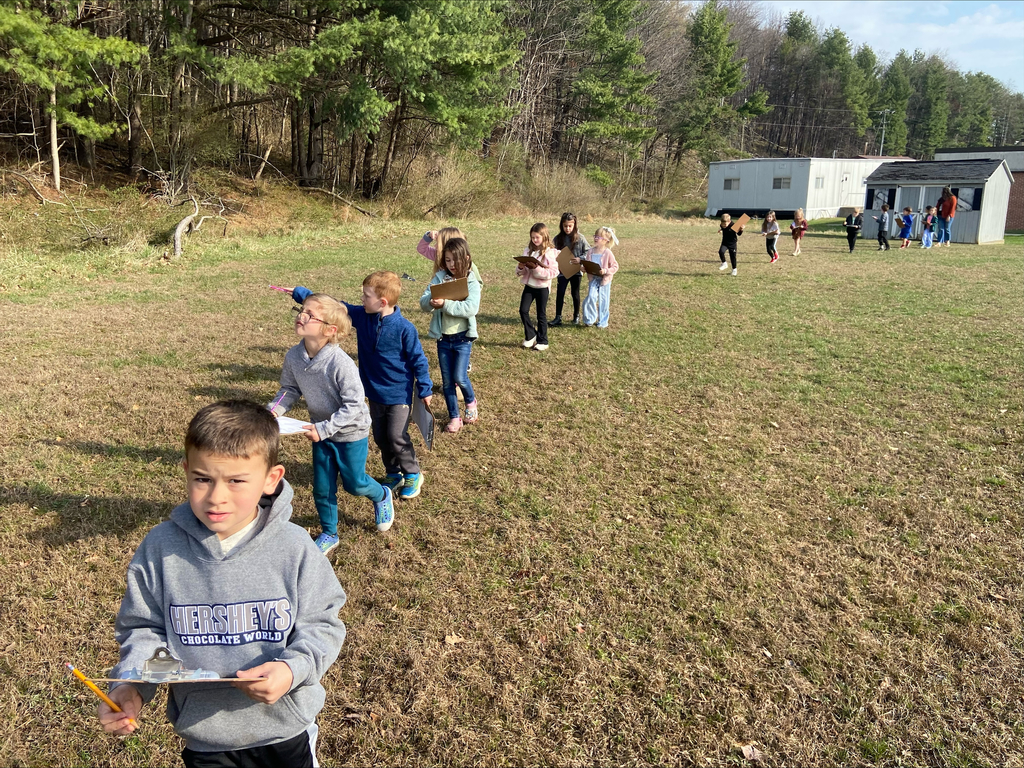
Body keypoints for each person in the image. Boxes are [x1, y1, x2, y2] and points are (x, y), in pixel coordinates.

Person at [97, 400, 347, 768]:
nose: (216, 497)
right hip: (206, 737)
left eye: (235, 481)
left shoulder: (294, 548)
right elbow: (143, 629)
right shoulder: (160, 548)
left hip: (286, 728)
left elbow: (322, 624)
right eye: (202, 479)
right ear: (185, 470)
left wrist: (293, 669)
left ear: (270, 479)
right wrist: (132, 686)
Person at [290, 274, 433, 502]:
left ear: (382, 302)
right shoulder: (364, 316)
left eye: (366, 296)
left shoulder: (405, 329)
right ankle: (393, 472)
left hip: (399, 395)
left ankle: (413, 472)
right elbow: (338, 307)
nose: (362, 299)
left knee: (396, 435)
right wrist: (303, 294)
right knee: (380, 436)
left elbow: (418, 359)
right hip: (373, 393)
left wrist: (425, 388)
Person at [268, 292, 395, 551]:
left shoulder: (341, 364)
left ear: (329, 330)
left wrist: (324, 429)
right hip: (319, 431)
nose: (301, 316)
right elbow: (288, 389)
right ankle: (329, 533)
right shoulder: (294, 356)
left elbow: (354, 405)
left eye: (309, 315)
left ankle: (381, 494)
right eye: (300, 311)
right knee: (322, 487)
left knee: (355, 483)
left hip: (350, 431)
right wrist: (273, 410)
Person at [420, 237, 481, 433]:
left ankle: (471, 403)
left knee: (459, 377)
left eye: (456, 260)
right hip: (443, 339)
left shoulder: (471, 280)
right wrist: (431, 301)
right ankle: (454, 417)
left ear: (467, 258)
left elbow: (471, 307)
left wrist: (446, 304)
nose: (451, 265)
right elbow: (422, 302)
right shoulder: (439, 278)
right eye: (447, 260)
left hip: (463, 338)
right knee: (447, 382)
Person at [515, 222, 559, 351]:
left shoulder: (549, 253)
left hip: (542, 287)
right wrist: (520, 267)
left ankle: (543, 341)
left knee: (541, 315)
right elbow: (521, 271)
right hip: (529, 286)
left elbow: (554, 272)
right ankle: (530, 335)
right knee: (523, 310)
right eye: (532, 237)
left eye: (537, 237)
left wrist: (536, 269)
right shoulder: (528, 251)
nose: (534, 240)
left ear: (544, 237)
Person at [551, 212, 590, 326]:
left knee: (575, 293)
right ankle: (558, 317)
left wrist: (580, 259)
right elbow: (551, 251)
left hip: (576, 271)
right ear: (561, 225)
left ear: (574, 225)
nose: (567, 228)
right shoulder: (557, 239)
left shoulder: (580, 238)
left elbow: (588, 251)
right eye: (565, 226)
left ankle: (576, 316)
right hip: (562, 271)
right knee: (560, 292)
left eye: (570, 226)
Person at [579, 226, 620, 328]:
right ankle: (589, 319)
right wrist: (583, 268)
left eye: (599, 237)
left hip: (604, 280)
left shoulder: (608, 253)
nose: (596, 238)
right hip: (593, 279)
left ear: (606, 240)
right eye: (595, 236)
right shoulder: (590, 252)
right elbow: (587, 264)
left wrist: (606, 271)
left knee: (603, 300)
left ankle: (603, 321)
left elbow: (615, 266)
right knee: (591, 297)